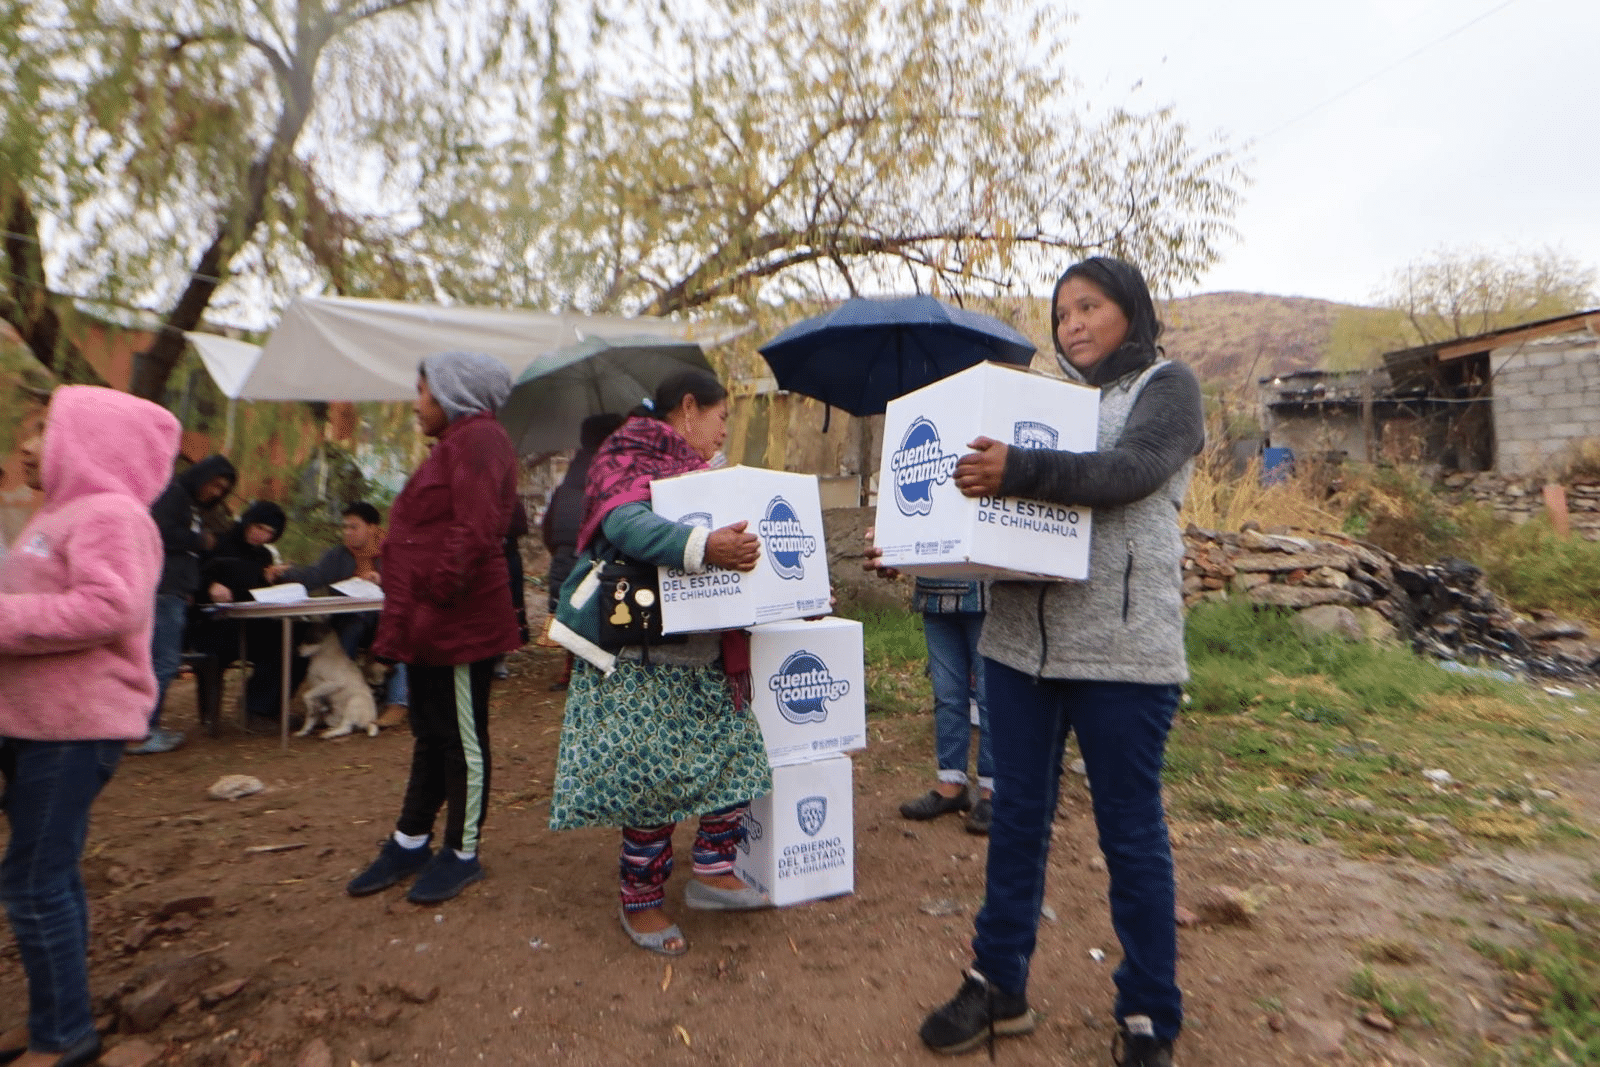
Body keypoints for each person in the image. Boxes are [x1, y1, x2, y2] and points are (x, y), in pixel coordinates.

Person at [909, 257, 1204, 1067]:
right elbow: (992, 514)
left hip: (1122, 653)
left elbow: (1130, 472)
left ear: (1131, 310)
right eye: (1061, 312)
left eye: (1090, 305)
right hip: (1016, 650)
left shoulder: (1167, 387)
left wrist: (1021, 467)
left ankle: (1150, 1012)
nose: (1072, 323)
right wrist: (918, 541)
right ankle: (998, 982)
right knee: (1016, 822)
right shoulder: (1044, 401)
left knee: (1130, 833)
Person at [547, 371, 771, 957]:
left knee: (735, 759)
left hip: (706, 652)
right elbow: (625, 524)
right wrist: (703, 547)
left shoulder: (709, 478)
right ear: (689, 408)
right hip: (645, 653)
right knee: (653, 783)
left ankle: (713, 868)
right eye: (721, 419)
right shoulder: (624, 455)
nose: (724, 433)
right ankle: (641, 899)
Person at [0, 386, 181, 1067]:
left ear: (90, 439)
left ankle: (65, 1035)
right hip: (36, 723)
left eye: (42, 428)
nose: (23, 443)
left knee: (34, 880)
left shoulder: (110, 514)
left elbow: (111, 606)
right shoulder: (56, 512)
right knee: (46, 875)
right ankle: (54, 1012)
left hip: (74, 728)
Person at [346, 351, 522, 905]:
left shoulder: (479, 441)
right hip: (430, 624)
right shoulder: (454, 446)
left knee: (463, 741)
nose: (416, 403)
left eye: (422, 391)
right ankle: (410, 839)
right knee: (431, 734)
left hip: (458, 623)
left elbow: (474, 530)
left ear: (452, 393)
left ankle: (462, 852)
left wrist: (435, 598)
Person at [268, 502, 408, 728]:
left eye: (354, 527)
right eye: (344, 528)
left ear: (372, 528)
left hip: (385, 621)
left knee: (400, 632)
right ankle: (336, 698)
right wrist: (284, 575)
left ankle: (397, 704)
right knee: (351, 625)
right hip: (350, 620)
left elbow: (407, 585)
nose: (347, 533)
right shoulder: (338, 556)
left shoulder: (392, 553)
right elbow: (314, 575)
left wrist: (382, 580)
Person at [132, 452, 236, 755]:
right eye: (213, 484)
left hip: (175, 592)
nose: (215, 492)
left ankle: (145, 726)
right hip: (163, 591)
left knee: (161, 662)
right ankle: (141, 731)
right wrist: (200, 541)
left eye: (222, 489)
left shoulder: (189, 503)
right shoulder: (174, 495)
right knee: (161, 663)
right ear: (201, 475)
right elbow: (160, 533)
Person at [190, 500, 307, 727]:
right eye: (259, 527)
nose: (261, 535)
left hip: (250, 624)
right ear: (248, 521)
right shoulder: (218, 543)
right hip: (214, 626)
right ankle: (251, 710)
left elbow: (253, 594)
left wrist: (268, 581)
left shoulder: (263, 557)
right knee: (271, 639)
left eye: (269, 533)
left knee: (294, 637)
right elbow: (193, 578)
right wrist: (210, 585)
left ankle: (260, 709)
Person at [899, 578, 993, 834]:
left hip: (987, 595)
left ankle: (993, 790)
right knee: (947, 695)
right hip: (933, 594)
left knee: (990, 697)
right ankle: (951, 785)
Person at [540, 413, 624, 690]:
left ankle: (569, 672)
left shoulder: (573, 472)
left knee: (570, 612)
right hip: (592, 554)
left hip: (563, 553)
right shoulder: (612, 469)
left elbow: (549, 525)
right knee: (598, 612)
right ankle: (593, 670)